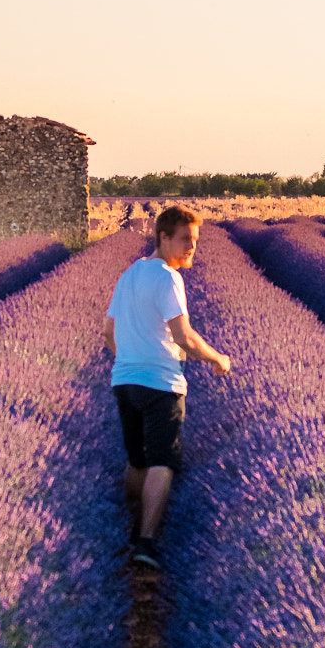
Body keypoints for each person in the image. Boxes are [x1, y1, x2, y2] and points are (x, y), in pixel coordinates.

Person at [104, 204, 231, 570]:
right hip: (161, 384)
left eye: (195, 240)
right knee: (162, 462)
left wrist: (132, 354)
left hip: (124, 381)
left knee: (137, 461)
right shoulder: (167, 277)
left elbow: (108, 334)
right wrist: (217, 359)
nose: (192, 247)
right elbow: (185, 336)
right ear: (163, 237)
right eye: (185, 240)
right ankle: (145, 543)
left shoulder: (129, 274)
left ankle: (125, 530)